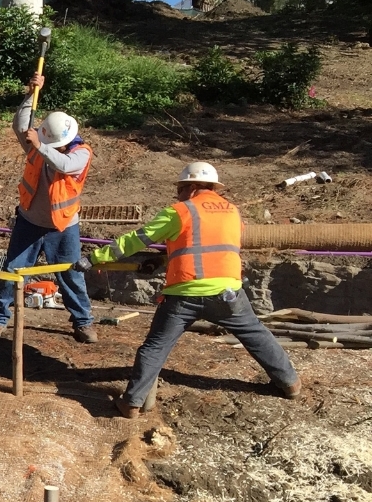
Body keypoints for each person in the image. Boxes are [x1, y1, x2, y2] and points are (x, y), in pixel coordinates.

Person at [77, 162, 301, 418]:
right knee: (257, 335)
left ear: (193, 187)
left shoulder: (180, 212)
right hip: (228, 292)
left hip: (184, 293)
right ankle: (290, 383)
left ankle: (131, 404)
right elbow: (206, 245)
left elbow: (136, 239)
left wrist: (94, 258)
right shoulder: (233, 212)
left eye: (181, 190)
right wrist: (162, 260)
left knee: (155, 347)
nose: (178, 196)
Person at [0, 74, 97, 345]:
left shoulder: (81, 153)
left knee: (71, 274)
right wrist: (30, 95)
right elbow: (21, 124)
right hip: (29, 222)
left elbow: (64, 165)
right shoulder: (39, 144)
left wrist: (39, 144)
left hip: (62, 226)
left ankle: (83, 322)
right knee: (12, 271)